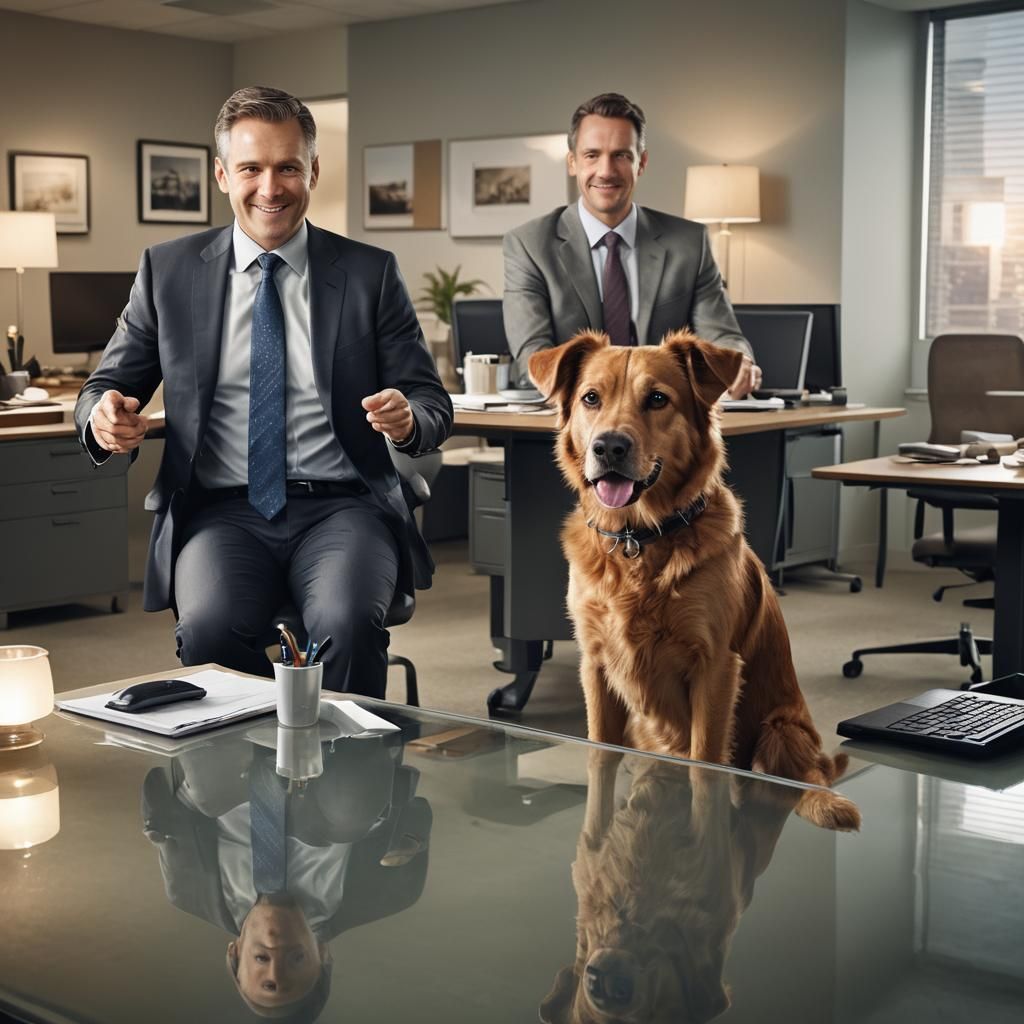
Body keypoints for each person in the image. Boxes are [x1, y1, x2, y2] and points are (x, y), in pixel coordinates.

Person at [75, 86, 453, 697]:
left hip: (343, 506)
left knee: (346, 623)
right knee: (209, 628)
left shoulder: (368, 273)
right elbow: (104, 387)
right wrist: (102, 417)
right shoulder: (168, 271)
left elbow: (432, 402)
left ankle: (352, 782)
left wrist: (410, 420)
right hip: (221, 511)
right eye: (251, 168)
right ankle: (244, 789)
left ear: (313, 172)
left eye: (287, 168)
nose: (270, 188)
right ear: (223, 174)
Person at [141, 724, 432, 1021]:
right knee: (348, 811)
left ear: (235, 953)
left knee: (209, 792)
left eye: (261, 960)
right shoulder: (387, 896)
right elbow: (415, 811)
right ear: (323, 954)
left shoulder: (187, 892)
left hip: (230, 744)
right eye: (297, 959)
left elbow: (164, 800)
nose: (276, 952)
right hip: (335, 740)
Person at [502, 92, 760, 397]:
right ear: (572, 162)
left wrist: (739, 362)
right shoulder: (528, 245)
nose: (606, 171)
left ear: (642, 162)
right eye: (592, 155)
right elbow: (534, 355)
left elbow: (723, 336)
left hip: (665, 427)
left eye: (621, 155)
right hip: (572, 428)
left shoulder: (691, 243)